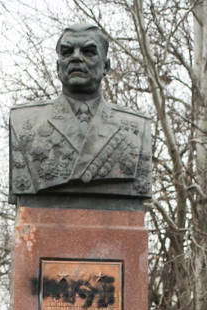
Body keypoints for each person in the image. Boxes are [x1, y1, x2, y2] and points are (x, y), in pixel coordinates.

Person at [8, 23, 153, 203]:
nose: (76, 58)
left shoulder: (138, 127)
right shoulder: (23, 122)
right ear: (57, 66)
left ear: (106, 66)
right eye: (67, 52)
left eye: (88, 52)